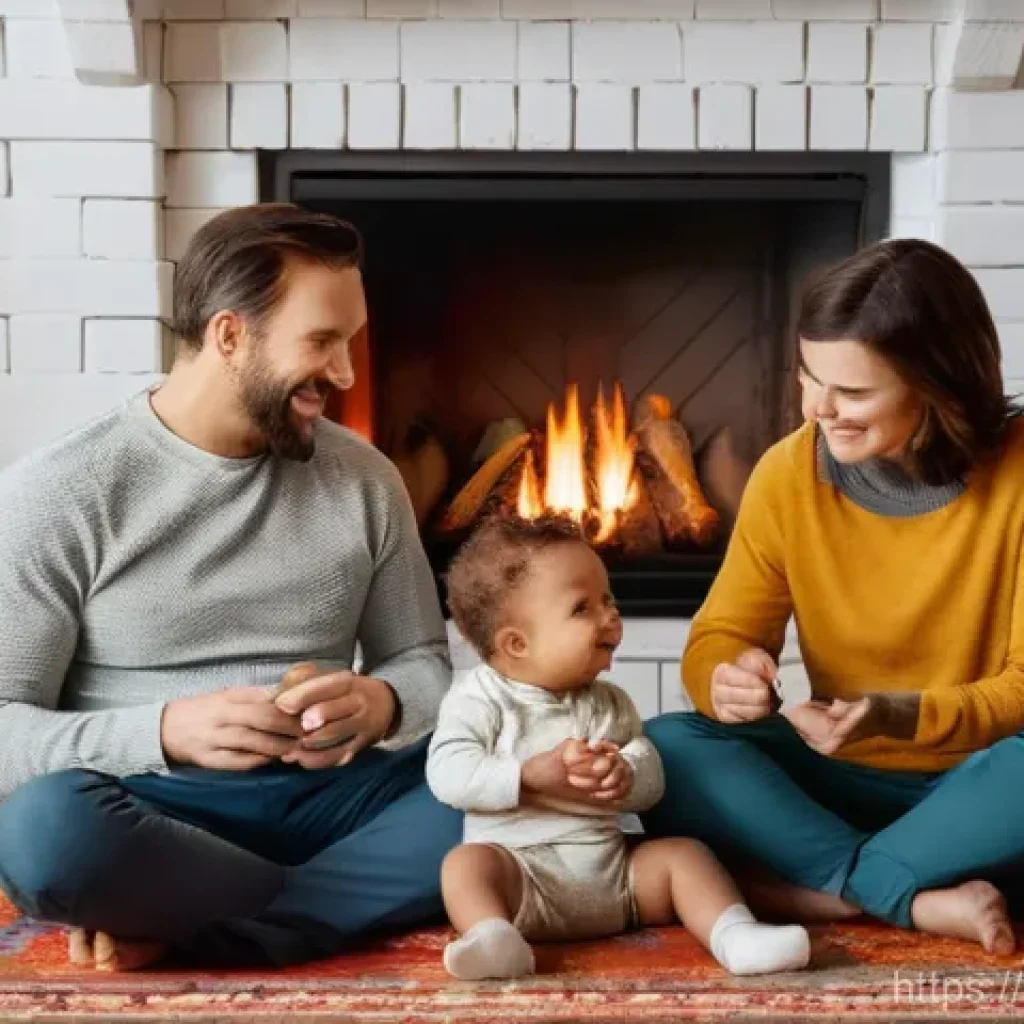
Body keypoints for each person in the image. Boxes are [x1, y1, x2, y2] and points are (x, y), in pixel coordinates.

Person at [0, 203, 461, 969]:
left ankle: (211, 924)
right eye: (322, 342)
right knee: (46, 835)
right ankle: (314, 909)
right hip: (152, 805)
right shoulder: (61, 492)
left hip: (334, 800)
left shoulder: (365, 481)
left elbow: (423, 664)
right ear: (229, 335)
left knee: (518, 777)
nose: (345, 374)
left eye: (351, 344)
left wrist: (380, 703)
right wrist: (164, 731)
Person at [642, 238, 1024, 957]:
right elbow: (719, 635)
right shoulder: (789, 473)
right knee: (668, 745)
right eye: (808, 377)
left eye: (852, 392)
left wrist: (896, 714)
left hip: (981, 782)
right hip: (837, 778)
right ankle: (903, 888)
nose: (819, 408)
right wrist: (726, 679)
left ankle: (824, 885)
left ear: (937, 384)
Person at [427, 515, 810, 981]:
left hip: (616, 880)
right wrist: (526, 775)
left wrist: (626, 774)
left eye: (609, 599)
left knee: (683, 855)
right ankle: (495, 938)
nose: (610, 616)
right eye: (582, 608)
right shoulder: (478, 699)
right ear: (517, 643)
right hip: (525, 884)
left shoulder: (609, 702)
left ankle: (735, 935)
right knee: (465, 866)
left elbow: (649, 774)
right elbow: (447, 772)